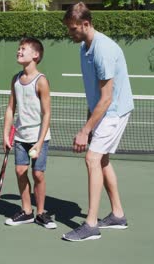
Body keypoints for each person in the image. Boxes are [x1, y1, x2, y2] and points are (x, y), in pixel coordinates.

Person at [62, 2, 134, 241]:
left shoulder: (103, 50)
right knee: (102, 161)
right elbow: (94, 94)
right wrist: (89, 123)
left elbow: (106, 98)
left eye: (73, 29)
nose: (70, 33)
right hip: (103, 110)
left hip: (114, 111)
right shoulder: (84, 48)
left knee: (92, 159)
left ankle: (91, 225)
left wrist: (85, 131)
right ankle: (118, 215)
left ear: (86, 24)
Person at [2, 37, 56, 229]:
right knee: (20, 171)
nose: (18, 51)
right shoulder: (15, 79)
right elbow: (10, 108)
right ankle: (27, 211)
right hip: (20, 137)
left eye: (23, 48)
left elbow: (47, 113)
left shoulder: (41, 81)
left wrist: (40, 142)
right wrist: (6, 134)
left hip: (39, 137)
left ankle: (41, 213)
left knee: (38, 174)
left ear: (36, 55)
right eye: (18, 48)